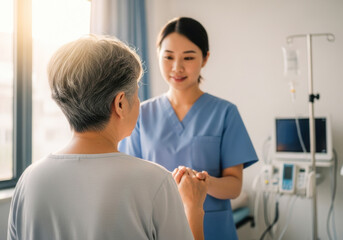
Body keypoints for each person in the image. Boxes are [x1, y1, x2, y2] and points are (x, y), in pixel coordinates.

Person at [7, 35, 207, 240]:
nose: (139, 103)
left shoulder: (29, 180)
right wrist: (193, 208)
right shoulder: (155, 182)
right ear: (120, 103)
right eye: (136, 95)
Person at [119, 17, 258, 240]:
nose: (177, 67)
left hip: (215, 230)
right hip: (157, 228)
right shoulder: (141, 115)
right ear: (158, 56)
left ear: (205, 58)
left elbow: (234, 187)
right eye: (169, 57)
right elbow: (129, 182)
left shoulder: (225, 113)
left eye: (189, 57)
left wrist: (204, 184)